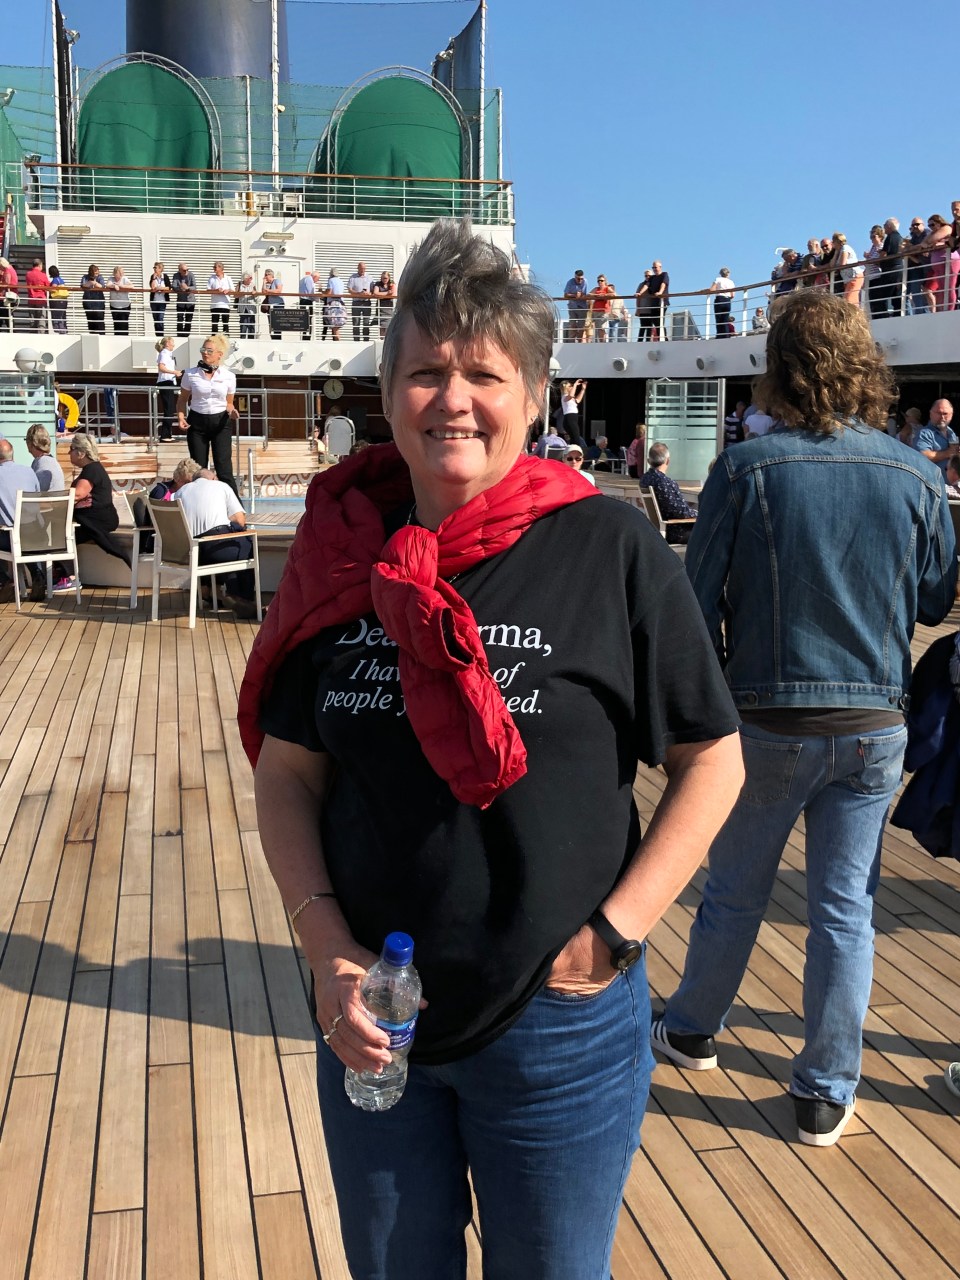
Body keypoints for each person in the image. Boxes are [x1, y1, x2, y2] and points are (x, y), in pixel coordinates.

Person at [238, 218, 744, 1280]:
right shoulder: (345, 554)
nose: (453, 398)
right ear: (388, 395)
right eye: (427, 371)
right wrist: (323, 945)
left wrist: (612, 936)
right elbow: (287, 772)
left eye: (484, 373)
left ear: (536, 394)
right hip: (373, 1015)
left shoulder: (608, 546)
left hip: (556, 1025)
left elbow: (714, 757)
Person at [652, 289, 957, 1148]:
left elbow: (694, 601)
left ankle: (691, 1031)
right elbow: (933, 600)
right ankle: (825, 1091)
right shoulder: (918, 474)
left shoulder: (746, 469)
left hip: (765, 720)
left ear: (778, 371)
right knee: (844, 910)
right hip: (874, 723)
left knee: (734, 890)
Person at [172, 458, 257, 617]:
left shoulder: (180, 492)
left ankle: (232, 595)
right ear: (212, 478)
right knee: (245, 542)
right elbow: (240, 520)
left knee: (231, 547)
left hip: (191, 553)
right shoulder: (221, 486)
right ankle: (243, 597)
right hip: (216, 548)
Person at [61, 432, 131, 590]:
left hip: (97, 521)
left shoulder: (91, 470)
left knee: (61, 538)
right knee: (64, 536)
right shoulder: (94, 468)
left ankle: (70, 578)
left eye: (71, 449)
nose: (69, 452)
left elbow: (78, 494)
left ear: (81, 453)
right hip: (99, 519)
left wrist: (56, 500)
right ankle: (66, 575)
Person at [176, 334, 240, 495]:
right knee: (198, 469)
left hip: (221, 422)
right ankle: (198, 502)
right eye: (203, 349)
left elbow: (229, 402)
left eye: (209, 350)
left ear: (219, 354)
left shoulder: (229, 376)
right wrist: (181, 417)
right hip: (197, 422)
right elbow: (182, 399)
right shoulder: (190, 374)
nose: (205, 353)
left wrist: (232, 410)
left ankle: (235, 506)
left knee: (224, 468)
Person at [0, 438, 41, 603]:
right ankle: (37, 575)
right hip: (35, 534)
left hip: (10, 537)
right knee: (23, 536)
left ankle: (4, 581)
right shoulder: (29, 472)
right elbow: (38, 497)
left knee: (10, 534)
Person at [639, 442, 698, 542]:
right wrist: (699, 514)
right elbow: (680, 512)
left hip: (657, 529)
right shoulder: (664, 482)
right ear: (667, 460)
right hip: (675, 531)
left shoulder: (645, 479)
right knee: (711, 532)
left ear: (649, 461)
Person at [919, 214, 960, 313]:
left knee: (949, 287)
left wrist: (929, 244)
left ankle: (949, 310)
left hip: (949, 259)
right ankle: (941, 310)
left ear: (939, 222)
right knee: (941, 288)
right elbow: (923, 243)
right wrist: (928, 244)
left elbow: (931, 240)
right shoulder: (932, 233)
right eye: (929, 225)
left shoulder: (946, 228)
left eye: (932, 224)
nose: (931, 227)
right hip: (938, 262)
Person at [913, 399, 957, 475]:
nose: (942, 417)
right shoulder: (924, 433)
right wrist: (947, 453)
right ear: (931, 414)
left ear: (951, 414)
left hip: (950, 481)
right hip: (931, 480)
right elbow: (921, 456)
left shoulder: (951, 432)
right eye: (938, 413)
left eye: (945, 414)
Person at [874, 217, 905, 317]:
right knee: (896, 295)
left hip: (891, 270)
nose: (884, 228)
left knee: (881, 295)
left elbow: (884, 254)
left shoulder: (890, 237)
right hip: (898, 268)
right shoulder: (899, 237)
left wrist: (877, 261)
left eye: (884, 226)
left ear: (889, 226)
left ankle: (882, 316)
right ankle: (897, 315)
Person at [26, 422, 65, 492]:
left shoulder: (43, 462)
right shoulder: (52, 461)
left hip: (47, 499)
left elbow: (36, 490)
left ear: (31, 443)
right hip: (56, 498)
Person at [156, 336, 180, 441]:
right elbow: (161, 367)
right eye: (172, 342)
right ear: (167, 344)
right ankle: (165, 435)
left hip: (169, 381)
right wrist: (174, 372)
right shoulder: (164, 353)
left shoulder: (168, 354)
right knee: (169, 409)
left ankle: (167, 434)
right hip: (166, 382)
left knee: (170, 409)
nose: (174, 345)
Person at [905, 218, 929, 314]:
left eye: (917, 224)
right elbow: (911, 249)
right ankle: (920, 312)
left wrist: (911, 249)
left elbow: (923, 246)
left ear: (923, 224)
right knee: (915, 290)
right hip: (918, 265)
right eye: (913, 225)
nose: (915, 227)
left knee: (926, 290)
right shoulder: (914, 236)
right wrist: (911, 249)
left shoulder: (927, 233)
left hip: (927, 266)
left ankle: (924, 312)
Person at [347, 261, 373, 341]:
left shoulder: (369, 277)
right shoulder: (353, 277)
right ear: (358, 268)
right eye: (361, 268)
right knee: (356, 322)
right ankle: (356, 341)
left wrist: (369, 293)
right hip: (356, 302)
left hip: (366, 302)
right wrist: (358, 293)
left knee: (366, 322)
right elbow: (350, 290)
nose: (363, 270)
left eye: (364, 268)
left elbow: (373, 290)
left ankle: (366, 340)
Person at [563, 268, 589, 341]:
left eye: (581, 279)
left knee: (581, 326)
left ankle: (579, 341)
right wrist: (575, 295)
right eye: (578, 279)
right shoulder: (570, 282)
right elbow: (565, 295)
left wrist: (580, 295)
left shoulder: (585, 281)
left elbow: (583, 294)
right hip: (572, 306)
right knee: (572, 324)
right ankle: (571, 341)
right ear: (575, 277)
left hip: (582, 307)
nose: (580, 280)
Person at [208, 261, 235, 334]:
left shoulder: (228, 278)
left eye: (215, 267)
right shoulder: (212, 278)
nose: (214, 269)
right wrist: (216, 290)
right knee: (214, 324)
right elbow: (208, 290)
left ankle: (226, 337)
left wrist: (228, 290)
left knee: (225, 323)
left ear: (221, 268)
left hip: (225, 305)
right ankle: (214, 338)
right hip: (215, 305)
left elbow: (233, 290)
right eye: (213, 267)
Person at [106, 266, 134, 335]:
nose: (122, 274)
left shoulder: (124, 279)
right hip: (114, 306)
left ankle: (125, 338)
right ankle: (117, 338)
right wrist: (114, 286)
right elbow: (108, 285)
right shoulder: (111, 278)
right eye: (120, 273)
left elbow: (132, 286)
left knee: (124, 324)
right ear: (115, 273)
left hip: (125, 306)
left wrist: (122, 286)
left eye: (122, 273)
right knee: (116, 324)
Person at [709, 267, 736, 337]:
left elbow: (712, 290)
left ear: (720, 273)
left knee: (719, 319)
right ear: (728, 274)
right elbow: (732, 295)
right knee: (725, 320)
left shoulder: (718, 279)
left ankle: (720, 336)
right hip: (727, 301)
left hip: (720, 299)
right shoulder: (731, 282)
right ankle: (726, 336)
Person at [25, 258, 50, 332]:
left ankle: (33, 334)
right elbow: (48, 286)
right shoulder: (43, 275)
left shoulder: (28, 274)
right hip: (41, 299)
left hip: (31, 299)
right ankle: (40, 334)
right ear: (39, 265)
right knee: (41, 318)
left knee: (32, 319)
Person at [172, 262, 197, 337]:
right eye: (184, 270)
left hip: (190, 301)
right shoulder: (176, 275)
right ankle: (180, 335)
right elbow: (174, 286)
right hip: (181, 300)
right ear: (179, 270)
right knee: (180, 318)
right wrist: (181, 288)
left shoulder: (191, 275)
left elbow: (194, 287)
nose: (186, 271)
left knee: (188, 319)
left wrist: (187, 288)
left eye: (187, 269)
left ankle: (186, 335)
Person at [81, 264, 106, 334]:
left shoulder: (100, 277)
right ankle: (92, 335)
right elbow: (83, 285)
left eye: (98, 272)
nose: (97, 273)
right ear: (91, 272)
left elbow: (101, 286)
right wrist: (91, 282)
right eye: (95, 272)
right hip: (88, 302)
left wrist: (94, 283)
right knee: (90, 320)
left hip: (99, 303)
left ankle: (101, 336)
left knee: (100, 320)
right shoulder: (85, 277)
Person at [371, 269, 397, 337]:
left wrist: (381, 295)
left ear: (389, 278)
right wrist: (387, 293)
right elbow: (375, 293)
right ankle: (382, 338)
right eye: (382, 278)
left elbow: (393, 294)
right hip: (381, 307)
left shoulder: (391, 284)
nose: (384, 280)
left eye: (385, 278)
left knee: (388, 324)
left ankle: (386, 339)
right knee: (381, 324)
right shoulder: (378, 284)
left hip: (388, 307)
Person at [322, 269, 346, 340]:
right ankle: (336, 340)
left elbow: (329, 292)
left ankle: (337, 341)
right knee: (337, 325)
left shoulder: (331, 280)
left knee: (334, 325)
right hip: (340, 304)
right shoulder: (341, 281)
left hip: (333, 304)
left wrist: (322, 292)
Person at [149, 262, 171, 336]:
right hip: (154, 301)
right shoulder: (152, 276)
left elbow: (169, 287)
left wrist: (161, 288)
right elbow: (152, 287)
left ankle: (161, 335)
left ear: (160, 269)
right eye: (154, 268)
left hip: (162, 301)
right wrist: (154, 278)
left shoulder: (165, 276)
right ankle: (157, 335)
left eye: (156, 268)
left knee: (160, 318)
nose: (154, 269)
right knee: (156, 319)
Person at [262, 268, 284, 339]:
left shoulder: (277, 281)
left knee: (277, 323)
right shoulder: (267, 284)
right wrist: (264, 283)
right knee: (271, 324)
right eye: (265, 275)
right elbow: (263, 292)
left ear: (271, 275)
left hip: (278, 305)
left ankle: (278, 338)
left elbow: (279, 290)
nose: (265, 277)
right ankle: (273, 338)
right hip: (270, 306)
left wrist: (268, 290)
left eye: (266, 275)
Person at [47, 263, 69, 334]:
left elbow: (53, 289)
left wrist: (46, 288)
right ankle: (64, 330)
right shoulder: (60, 279)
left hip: (57, 301)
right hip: (63, 300)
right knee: (62, 316)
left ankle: (60, 330)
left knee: (57, 316)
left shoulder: (55, 280)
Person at [236, 272, 259, 338]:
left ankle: (251, 340)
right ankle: (242, 339)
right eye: (249, 278)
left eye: (251, 278)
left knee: (251, 326)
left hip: (251, 308)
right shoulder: (239, 284)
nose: (251, 279)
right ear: (244, 279)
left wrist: (255, 294)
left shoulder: (253, 285)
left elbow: (256, 297)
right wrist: (241, 294)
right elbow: (235, 295)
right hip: (242, 308)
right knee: (243, 326)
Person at [0, 256, 19, 332]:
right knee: (7, 313)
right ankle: (11, 329)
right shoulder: (11, 269)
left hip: (8, 295)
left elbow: (7, 283)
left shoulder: (7, 270)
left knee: (5, 312)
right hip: (12, 294)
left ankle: (10, 329)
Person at [298, 268, 316, 340]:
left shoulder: (303, 279)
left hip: (302, 301)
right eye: (317, 279)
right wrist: (317, 299)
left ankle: (305, 337)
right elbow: (310, 292)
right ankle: (307, 338)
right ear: (315, 277)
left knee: (304, 320)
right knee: (308, 320)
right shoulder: (309, 279)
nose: (317, 281)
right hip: (307, 301)